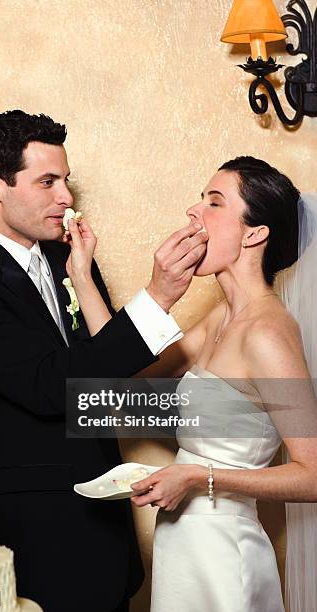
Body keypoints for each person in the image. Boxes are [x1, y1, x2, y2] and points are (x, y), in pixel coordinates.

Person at [0, 110, 208, 612]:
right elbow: (52, 388)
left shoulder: (68, 258)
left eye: (66, 181)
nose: (66, 198)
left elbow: (111, 371)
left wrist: (86, 279)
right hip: (36, 532)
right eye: (47, 181)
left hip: (107, 526)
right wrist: (156, 297)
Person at [66, 156, 317, 611]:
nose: (193, 212)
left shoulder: (268, 333)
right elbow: (123, 383)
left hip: (225, 553)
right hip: (183, 545)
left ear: (253, 233)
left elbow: (313, 474)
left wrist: (198, 477)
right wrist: (82, 277)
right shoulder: (222, 317)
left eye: (214, 202)